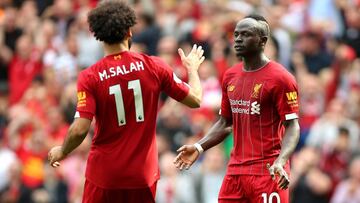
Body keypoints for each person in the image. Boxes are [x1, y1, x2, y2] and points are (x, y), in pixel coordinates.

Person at [47, 1, 205, 203]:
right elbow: (195, 99)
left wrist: (62, 150)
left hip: (104, 176)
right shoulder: (154, 66)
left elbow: (79, 129)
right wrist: (192, 69)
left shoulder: (90, 77)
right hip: (142, 176)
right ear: (130, 31)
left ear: (98, 36)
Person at [174, 14, 300, 203]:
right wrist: (200, 147)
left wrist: (281, 161)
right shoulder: (230, 76)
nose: (238, 39)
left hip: (267, 172)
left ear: (263, 41)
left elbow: (293, 125)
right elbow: (225, 123)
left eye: (246, 34)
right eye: (236, 34)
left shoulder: (281, 78)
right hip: (235, 172)